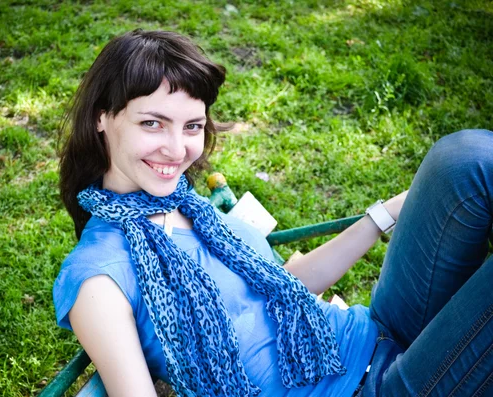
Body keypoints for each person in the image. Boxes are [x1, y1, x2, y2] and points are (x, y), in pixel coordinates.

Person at [53, 29, 493, 397]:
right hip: (376, 390)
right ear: (101, 118)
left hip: (373, 335)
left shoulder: (183, 204)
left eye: (192, 126)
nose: (176, 149)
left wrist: (386, 214)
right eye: (152, 123)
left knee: (465, 159)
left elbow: (285, 288)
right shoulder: (98, 278)